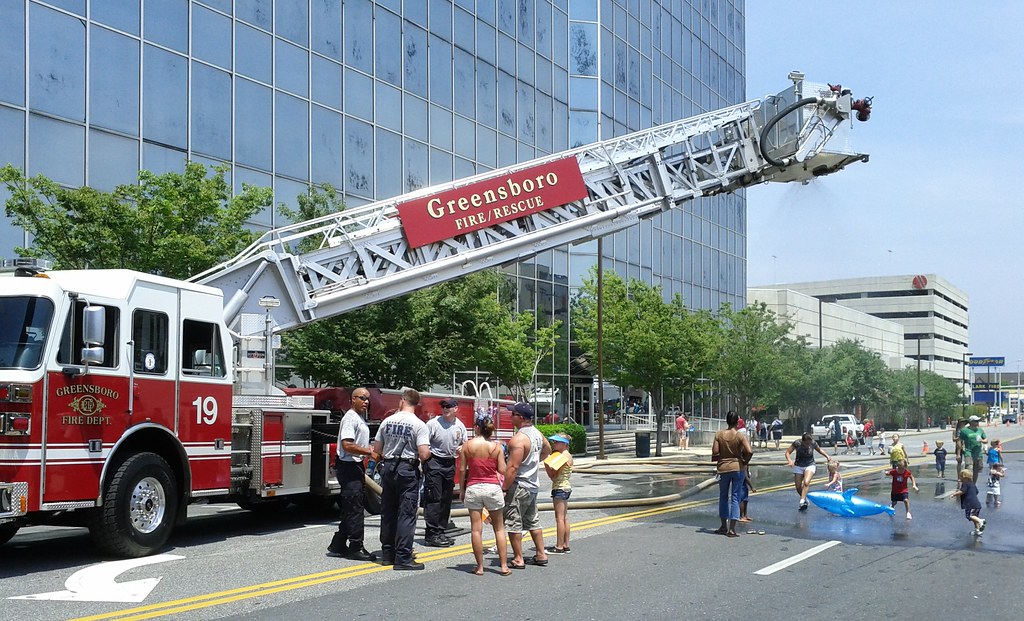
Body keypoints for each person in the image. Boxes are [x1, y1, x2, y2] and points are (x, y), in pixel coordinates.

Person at [373, 387, 430, 570]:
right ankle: (403, 557)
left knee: (388, 511)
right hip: (407, 469)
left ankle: (387, 554)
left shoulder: (387, 421)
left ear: (402, 401)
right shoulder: (419, 425)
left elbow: (377, 450)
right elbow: (423, 453)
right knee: (406, 514)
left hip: (388, 468)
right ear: (416, 403)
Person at [326, 387, 375, 561]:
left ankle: (338, 543)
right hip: (348, 466)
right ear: (353, 399)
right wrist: (368, 452)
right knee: (355, 508)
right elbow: (347, 445)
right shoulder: (350, 418)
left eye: (368, 399)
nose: (366, 401)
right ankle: (356, 547)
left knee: (353, 506)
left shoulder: (360, 418)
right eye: (362, 398)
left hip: (355, 466)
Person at [459, 410, 510, 576]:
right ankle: (503, 566)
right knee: (499, 529)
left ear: (477, 428)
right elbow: (502, 470)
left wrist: (461, 489)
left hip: (473, 487)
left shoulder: (467, 446)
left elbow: (461, 470)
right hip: (492, 487)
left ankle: (480, 567)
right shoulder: (496, 447)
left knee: (476, 530)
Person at [502, 402, 551, 568]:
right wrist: (534, 462)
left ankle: (518, 558)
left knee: (513, 522)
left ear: (520, 418)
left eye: (513, 414)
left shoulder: (518, 439)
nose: (510, 416)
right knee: (532, 521)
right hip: (532, 485)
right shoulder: (537, 434)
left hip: (520, 485)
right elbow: (547, 449)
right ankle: (541, 553)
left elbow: (513, 467)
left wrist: (504, 488)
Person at [422, 397, 467, 548]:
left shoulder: (460, 426)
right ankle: (432, 534)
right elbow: (423, 443)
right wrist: (426, 462)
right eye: (443, 406)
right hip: (435, 461)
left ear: (456, 408)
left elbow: (465, 444)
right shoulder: (433, 424)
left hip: (449, 463)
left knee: (446, 499)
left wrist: (462, 448)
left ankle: (440, 532)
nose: (445, 409)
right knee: (434, 498)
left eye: (448, 406)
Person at [712, 411, 754, 537]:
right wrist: (744, 461)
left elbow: (715, 452)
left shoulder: (719, 434)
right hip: (737, 468)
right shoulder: (740, 436)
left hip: (723, 468)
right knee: (735, 497)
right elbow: (749, 451)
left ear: (726, 421)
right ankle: (732, 529)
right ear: (737, 422)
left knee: (723, 497)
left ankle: (723, 526)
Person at [785, 433, 832, 511]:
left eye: (809, 443)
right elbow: (787, 452)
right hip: (798, 465)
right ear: (803, 441)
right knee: (798, 487)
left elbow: (819, 450)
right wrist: (789, 460)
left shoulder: (813, 443)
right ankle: (805, 499)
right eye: (807, 443)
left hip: (810, 464)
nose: (808, 445)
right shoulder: (797, 443)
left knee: (806, 482)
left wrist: (827, 456)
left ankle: (802, 501)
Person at [544, 433, 574, 554]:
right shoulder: (568, 455)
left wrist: (546, 464)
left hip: (560, 488)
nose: (554, 444)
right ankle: (566, 544)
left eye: (557, 442)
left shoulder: (562, 457)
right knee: (565, 517)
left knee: (559, 518)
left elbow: (553, 476)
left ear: (564, 444)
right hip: (566, 487)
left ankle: (559, 546)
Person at [951, 469, 985, 536]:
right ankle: (977, 530)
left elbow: (962, 491)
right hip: (977, 504)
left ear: (964, 477)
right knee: (974, 517)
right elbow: (976, 491)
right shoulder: (972, 484)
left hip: (970, 504)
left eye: (960, 476)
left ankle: (980, 521)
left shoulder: (965, 484)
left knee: (969, 516)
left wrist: (954, 494)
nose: (959, 477)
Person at [959, 415, 989, 483]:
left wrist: (982, 440)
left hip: (978, 453)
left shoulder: (980, 430)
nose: (977, 422)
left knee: (977, 470)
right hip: (968, 452)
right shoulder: (964, 431)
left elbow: (986, 440)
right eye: (976, 421)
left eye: (978, 421)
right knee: (969, 469)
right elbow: (959, 441)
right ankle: (968, 485)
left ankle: (973, 485)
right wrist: (960, 450)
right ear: (971, 422)